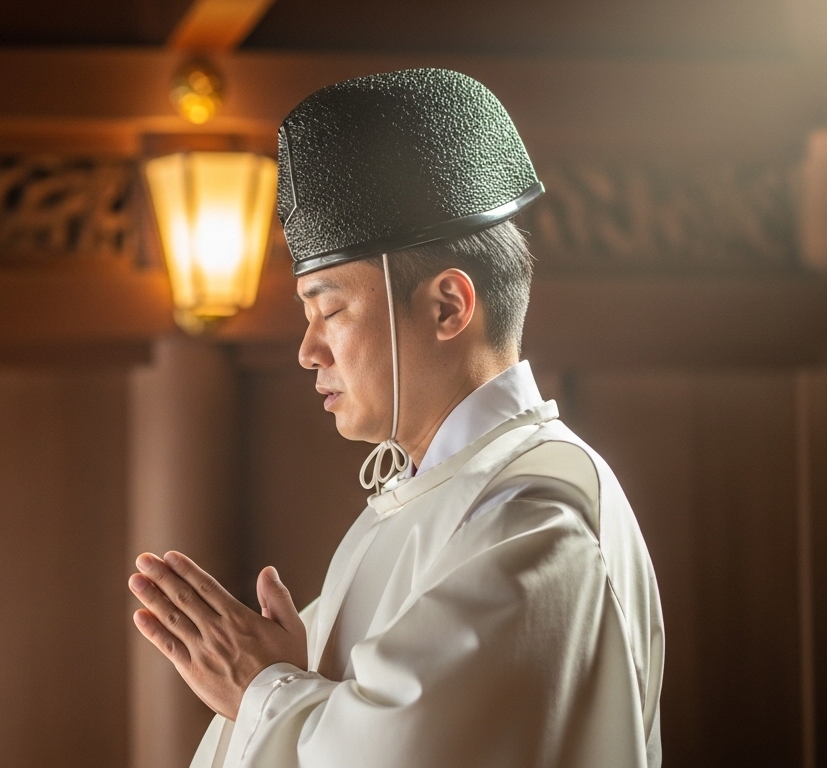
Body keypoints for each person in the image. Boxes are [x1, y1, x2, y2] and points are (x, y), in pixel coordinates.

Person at [127, 68, 664, 768]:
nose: (307, 349)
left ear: (447, 306)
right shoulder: (427, 496)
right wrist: (274, 684)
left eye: (331, 310)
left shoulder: (534, 514)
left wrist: (264, 689)